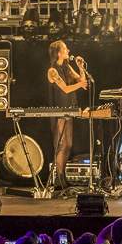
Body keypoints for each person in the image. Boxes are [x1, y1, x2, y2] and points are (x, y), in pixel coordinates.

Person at [46, 42, 88, 189]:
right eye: (65, 49)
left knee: (68, 145)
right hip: (58, 111)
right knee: (60, 145)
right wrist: (80, 85)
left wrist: (80, 67)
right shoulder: (52, 71)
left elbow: (82, 81)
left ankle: (62, 176)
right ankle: (59, 178)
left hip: (69, 110)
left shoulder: (67, 67)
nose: (68, 50)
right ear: (58, 53)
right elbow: (65, 89)